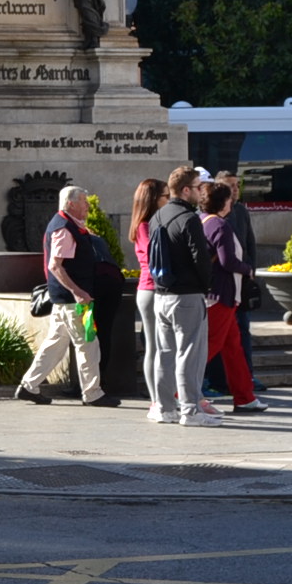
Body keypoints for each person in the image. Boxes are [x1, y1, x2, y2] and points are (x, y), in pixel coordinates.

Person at [13, 185, 119, 408]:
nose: (88, 205)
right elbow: (56, 266)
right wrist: (78, 291)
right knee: (88, 343)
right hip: (72, 300)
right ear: (71, 204)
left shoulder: (67, 225)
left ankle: (29, 386)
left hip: (65, 299)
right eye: (83, 201)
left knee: (56, 343)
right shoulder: (64, 228)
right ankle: (93, 393)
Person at [147, 166, 219, 426]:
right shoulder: (190, 219)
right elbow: (201, 259)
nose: (203, 191)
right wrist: (205, 286)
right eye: (199, 187)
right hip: (187, 295)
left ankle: (165, 408)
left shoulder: (158, 216)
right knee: (189, 353)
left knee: (164, 353)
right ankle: (190, 411)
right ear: (186, 190)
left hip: (161, 294)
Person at [201, 181, 265, 414]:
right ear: (223, 202)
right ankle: (180, 392)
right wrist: (247, 269)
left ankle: (245, 396)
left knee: (232, 347)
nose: (232, 202)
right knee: (210, 346)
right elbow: (228, 261)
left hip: (216, 294)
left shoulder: (203, 222)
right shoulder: (220, 225)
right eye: (229, 198)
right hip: (222, 295)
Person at [215, 171, 261, 383]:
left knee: (243, 330)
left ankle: (247, 377)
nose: (235, 189)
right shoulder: (212, 215)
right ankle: (218, 380)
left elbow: (249, 243)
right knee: (220, 334)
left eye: (237, 185)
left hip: (241, 281)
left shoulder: (241, 211)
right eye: (230, 185)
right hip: (222, 285)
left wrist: (251, 271)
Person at [129, 179, 169, 420]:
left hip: (156, 290)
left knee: (160, 346)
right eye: (165, 196)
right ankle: (155, 401)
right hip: (151, 290)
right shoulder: (145, 226)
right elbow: (155, 261)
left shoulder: (152, 223)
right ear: (153, 199)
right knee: (153, 347)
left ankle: (162, 398)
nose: (168, 200)